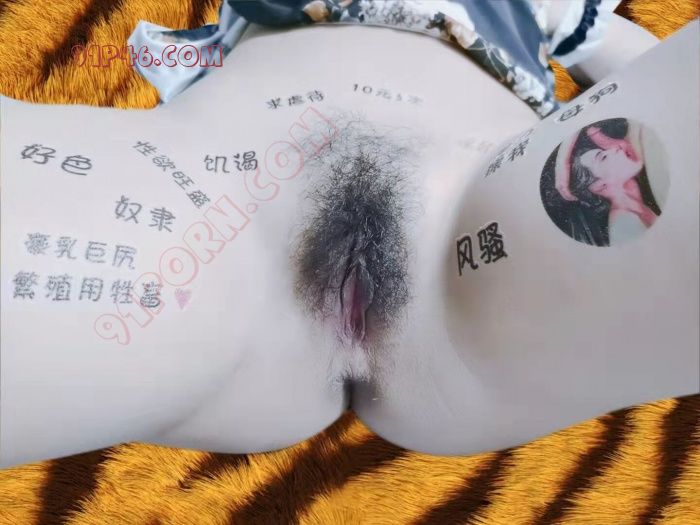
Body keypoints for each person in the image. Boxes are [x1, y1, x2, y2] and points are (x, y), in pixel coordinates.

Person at [551, 118, 661, 245]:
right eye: (603, 157)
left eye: (604, 150)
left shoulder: (637, 209)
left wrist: (563, 160)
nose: (615, 148)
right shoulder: (625, 223)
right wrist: (562, 161)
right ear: (599, 186)